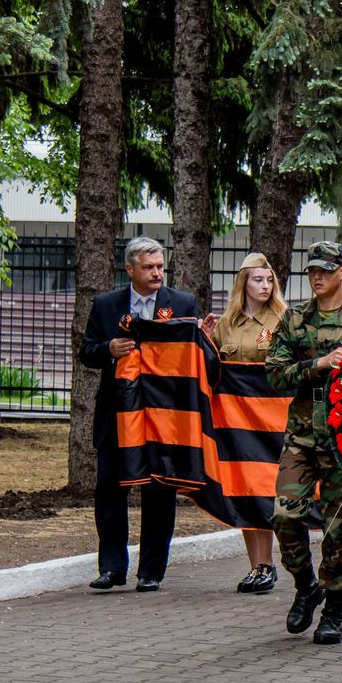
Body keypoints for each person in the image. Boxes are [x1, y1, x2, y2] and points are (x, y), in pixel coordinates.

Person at [265, 241, 342, 644]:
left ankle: (333, 610)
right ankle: (306, 586)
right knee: (285, 516)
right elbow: (274, 374)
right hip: (302, 434)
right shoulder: (294, 319)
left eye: (325, 270)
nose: (317, 276)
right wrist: (318, 365)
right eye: (312, 270)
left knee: (336, 527)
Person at [80, 237, 200, 592]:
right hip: (117, 415)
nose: (157, 273)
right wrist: (109, 349)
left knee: (159, 491)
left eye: (161, 266)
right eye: (149, 267)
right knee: (109, 489)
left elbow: (192, 354)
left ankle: (151, 570)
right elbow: (87, 352)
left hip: (162, 418)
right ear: (129, 269)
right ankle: (113, 568)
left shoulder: (180, 303)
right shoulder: (105, 305)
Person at [212, 253, 288, 594]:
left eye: (269, 280)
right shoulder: (227, 322)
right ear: (244, 282)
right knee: (243, 487)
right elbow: (212, 362)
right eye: (258, 279)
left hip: (272, 419)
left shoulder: (283, 318)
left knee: (265, 488)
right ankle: (256, 565)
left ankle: (268, 563)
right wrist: (202, 338)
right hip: (236, 420)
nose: (265, 285)